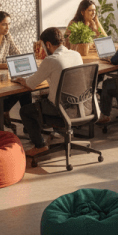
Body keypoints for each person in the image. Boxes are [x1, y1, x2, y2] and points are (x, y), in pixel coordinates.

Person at [17, 27, 82, 156]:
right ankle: (57, 133)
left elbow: (30, 84)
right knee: (48, 97)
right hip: (79, 106)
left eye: (43, 46)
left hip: (59, 110)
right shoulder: (76, 54)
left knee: (25, 111)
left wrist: (21, 80)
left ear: (48, 44)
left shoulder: (51, 60)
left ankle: (40, 145)